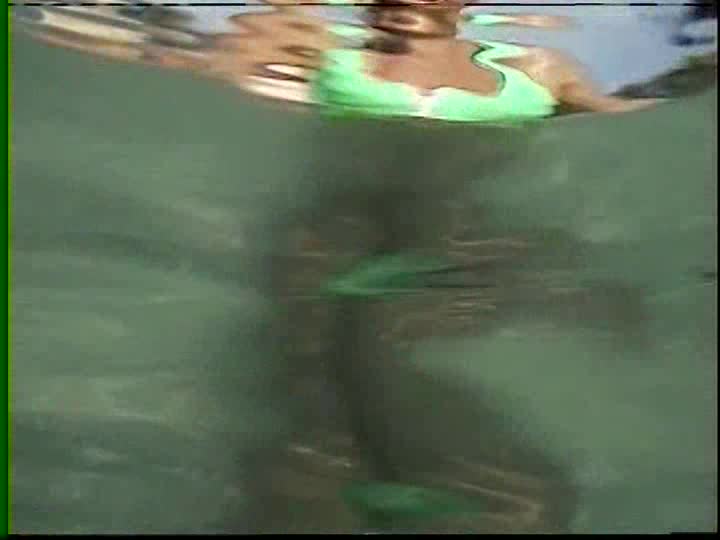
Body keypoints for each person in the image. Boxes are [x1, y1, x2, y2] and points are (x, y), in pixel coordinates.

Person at [15, 0, 658, 121]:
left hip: (474, 236)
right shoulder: (320, 46)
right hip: (336, 229)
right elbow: (181, 59)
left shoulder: (538, 67)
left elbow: (626, 117)